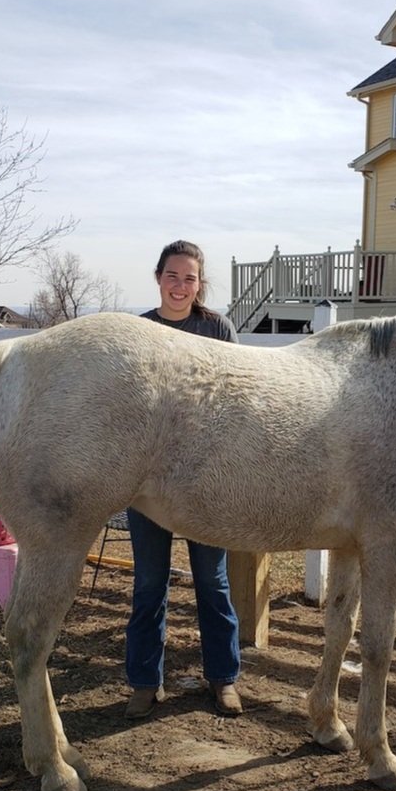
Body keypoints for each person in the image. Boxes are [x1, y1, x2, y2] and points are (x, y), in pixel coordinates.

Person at [124, 239, 243, 720]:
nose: (180, 286)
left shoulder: (216, 328)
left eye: (189, 278)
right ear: (158, 278)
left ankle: (223, 679)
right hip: (148, 481)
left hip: (206, 481)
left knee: (213, 584)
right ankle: (144, 682)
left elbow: (240, 399)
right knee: (149, 583)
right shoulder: (140, 332)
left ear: (200, 283)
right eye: (172, 276)